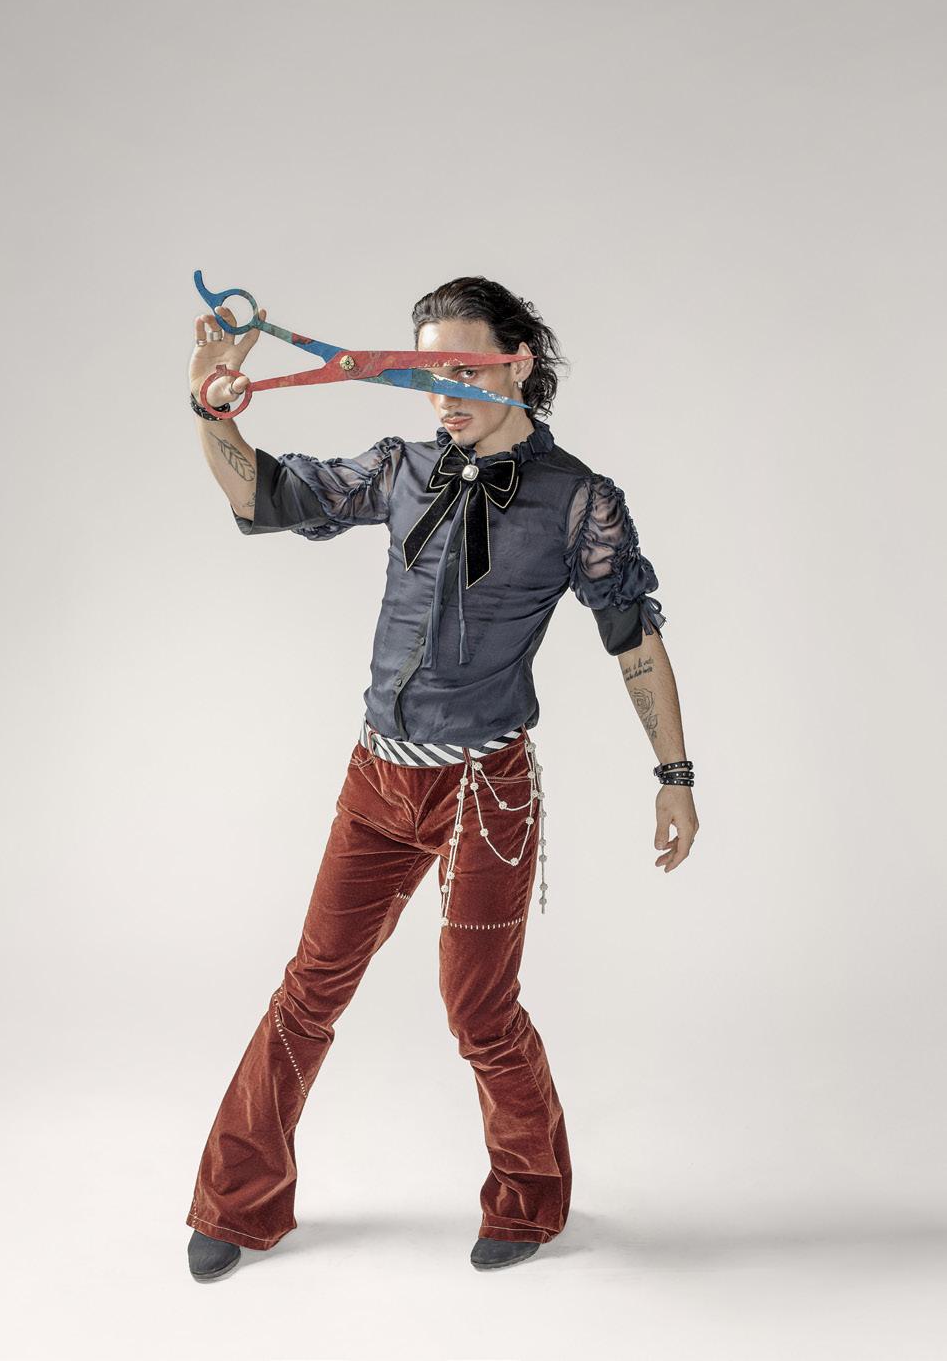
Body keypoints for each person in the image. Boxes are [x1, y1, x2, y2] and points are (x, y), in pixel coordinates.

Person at [184, 276, 699, 1283]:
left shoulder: (578, 500)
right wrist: (211, 407)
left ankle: (530, 1196)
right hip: (378, 777)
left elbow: (633, 639)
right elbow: (260, 494)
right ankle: (239, 1200)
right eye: (423, 373)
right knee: (309, 988)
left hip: (483, 792)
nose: (440, 393)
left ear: (517, 364)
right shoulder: (401, 466)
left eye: (461, 369)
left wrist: (672, 773)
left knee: (479, 1010)